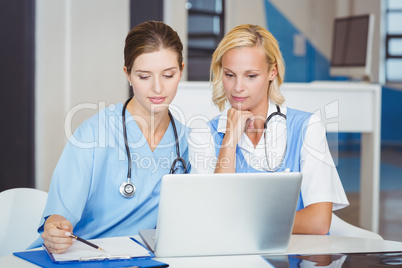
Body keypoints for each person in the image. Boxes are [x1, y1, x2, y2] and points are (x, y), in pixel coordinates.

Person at [29, 20, 190, 253]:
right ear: (127, 74)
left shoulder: (188, 142)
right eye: (144, 76)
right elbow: (59, 215)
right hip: (86, 255)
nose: (157, 88)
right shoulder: (93, 134)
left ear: (181, 71)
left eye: (168, 75)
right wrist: (55, 228)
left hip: (149, 258)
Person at [188, 24, 349, 235]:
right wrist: (229, 142)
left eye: (251, 76)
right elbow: (215, 217)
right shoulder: (204, 134)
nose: (238, 87)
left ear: (272, 71)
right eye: (229, 75)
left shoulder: (307, 127)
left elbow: (318, 222)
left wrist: (241, 220)